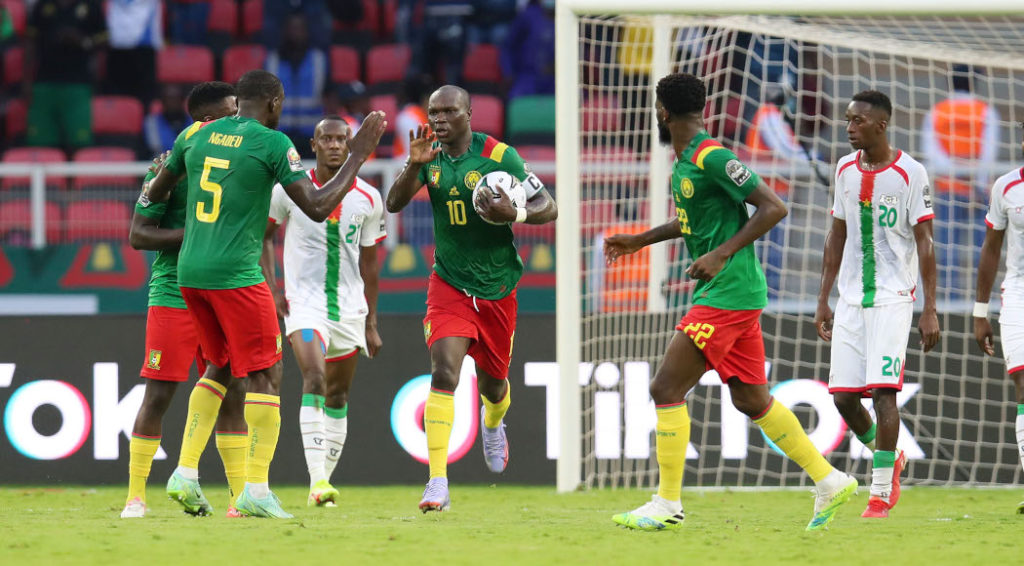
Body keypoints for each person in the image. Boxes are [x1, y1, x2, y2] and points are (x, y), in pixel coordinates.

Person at [604, 73, 857, 532]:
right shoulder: (686, 161)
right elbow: (694, 219)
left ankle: (667, 503)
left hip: (730, 291)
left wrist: (721, 254)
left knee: (665, 389)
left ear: (661, 110)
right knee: (751, 398)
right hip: (735, 292)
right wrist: (641, 239)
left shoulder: (710, 156)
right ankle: (829, 479)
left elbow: (773, 207)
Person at [144, 69, 386, 519]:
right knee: (267, 373)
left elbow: (156, 192)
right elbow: (315, 207)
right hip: (237, 273)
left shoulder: (198, 136)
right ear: (274, 104)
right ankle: (255, 487)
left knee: (221, 366)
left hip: (190, 271)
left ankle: (185, 471)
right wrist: (356, 157)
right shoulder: (274, 143)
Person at [385, 85, 557, 512]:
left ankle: (493, 422)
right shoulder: (429, 157)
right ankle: (437, 482)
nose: (439, 119)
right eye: (433, 112)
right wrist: (413, 164)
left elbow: (548, 206)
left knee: (495, 386)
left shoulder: (501, 157)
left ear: (469, 114)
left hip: (498, 289)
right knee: (444, 372)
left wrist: (514, 213)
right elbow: (393, 202)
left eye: (448, 111)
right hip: (449, 284)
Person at [122, 81, 244, 519]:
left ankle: (238, 500)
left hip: (221, 294)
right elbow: (139, 235)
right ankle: (136, 496)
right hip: (173, 293)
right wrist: (198, 234)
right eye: (232, 112)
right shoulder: (166, 167)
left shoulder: (239, 163)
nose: (240, 118)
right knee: (158, 395)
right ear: (207, 121)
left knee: (233, 396)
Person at [815, 90, 940, 519]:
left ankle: (880, 492)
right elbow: (837, 234)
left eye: (857, 121)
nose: (849, 128)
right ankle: (893, 457)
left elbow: (925, 242)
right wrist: (824, 298)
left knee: (884, 394)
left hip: (891, 298)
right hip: (850, 299)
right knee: (844, 399)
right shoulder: (844, 169)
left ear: (881, 125)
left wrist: (929, 308)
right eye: (848, 120)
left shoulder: (910, 173)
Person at [260, 116, 386, 507]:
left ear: (350, 144)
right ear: (313, 145)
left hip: (350, 307)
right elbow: (265, 236)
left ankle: (323, 483)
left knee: (338, 394)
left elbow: (370, 265)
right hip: (304, 302)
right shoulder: (289, 190)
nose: (334, 145)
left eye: (341, 139)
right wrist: (273, 288)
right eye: (326, 138)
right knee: (313, 376)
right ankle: (317, 481)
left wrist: (371, 322)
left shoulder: (368, 197)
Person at [973, 129, 1024, 514]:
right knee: (1023, 385)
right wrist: (980, 312)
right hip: (1018, 295)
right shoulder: (1006, 187)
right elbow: (991, 249)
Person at [921, 64, 1000, 300]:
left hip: (948, 191)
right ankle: (982, 302)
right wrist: (975, 180)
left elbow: (933, 156)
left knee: (947, 252)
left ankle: (948, 302)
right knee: (982, 252)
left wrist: (956, 167)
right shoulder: (986, 112)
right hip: (979, 193)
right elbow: (989, 155)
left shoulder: (937, 112)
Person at [24, 0, 107, 151]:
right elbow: (30, 44)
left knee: (80, 145)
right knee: (41, 144)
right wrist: (27, 81)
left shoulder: (92, 6)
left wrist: (82, 41)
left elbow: (103, 46)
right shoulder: (42, 5)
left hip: (79, 85)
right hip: (44, 84)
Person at [265, 13, 328, 157]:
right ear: (285, 31)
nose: (296, 33)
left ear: (306, 31)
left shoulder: (319, 59)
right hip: (280, 134)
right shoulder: (272, 60)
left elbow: (329, 95)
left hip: (311, 134)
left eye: (300, 28)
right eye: (292, 28)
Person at [144, 83, 191, 155]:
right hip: (161, 161)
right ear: (163, 102)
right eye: (169, 99)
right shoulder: (152, 122)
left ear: (182, 101)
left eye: (176, 99)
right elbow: (155, 147)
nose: (172, 102)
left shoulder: (194, 121)